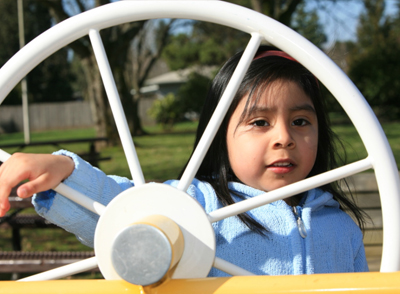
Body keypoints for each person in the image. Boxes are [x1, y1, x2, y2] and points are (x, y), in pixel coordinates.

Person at [0, 45, 369, 276]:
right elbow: (119, 210)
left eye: (301, 121)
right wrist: (64, 172)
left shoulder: (340, 225)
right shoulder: (195, 205)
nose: (284, 137)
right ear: (219, 137)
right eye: (259, 122)